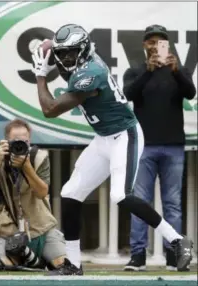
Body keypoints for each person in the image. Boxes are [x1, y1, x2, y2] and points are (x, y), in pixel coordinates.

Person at [31, 24, 193, 275]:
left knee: (120, 195)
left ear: (83, 51)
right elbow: (66, 67)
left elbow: (50, 110)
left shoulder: (92, 72)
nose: (65, 59)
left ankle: (177, 239)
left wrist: (41, 74)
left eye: (70, 54)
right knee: (70, 193)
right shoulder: (84, 63)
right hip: (103, 138)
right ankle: (73, 264)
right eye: (62, 54)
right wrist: (53, 50)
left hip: (124, 136)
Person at [123, 24, 196, 271]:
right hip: (144, 147)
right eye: (151, 41)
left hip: (173, 146)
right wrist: (148, 71)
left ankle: (174, 255)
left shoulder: (179, 70)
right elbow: (129, 94)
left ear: (167, 45)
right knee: (140, 202)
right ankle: (138, 256)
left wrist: (176, 72)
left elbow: (191, 93)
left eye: (160, 42)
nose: (155, 46)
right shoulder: (134, 71)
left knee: (172, 203)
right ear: (144, 45)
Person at [0, 119, 66, 271]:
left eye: (24, 141)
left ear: (30, 141)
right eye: (15, 141)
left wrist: (27, 167)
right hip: (7, 228)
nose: (20, 145)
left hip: (40, 227)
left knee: (63, 265)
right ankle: (29, 260)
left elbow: (42, 193)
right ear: (6, 141)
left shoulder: (39, 157)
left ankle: (35, 259)